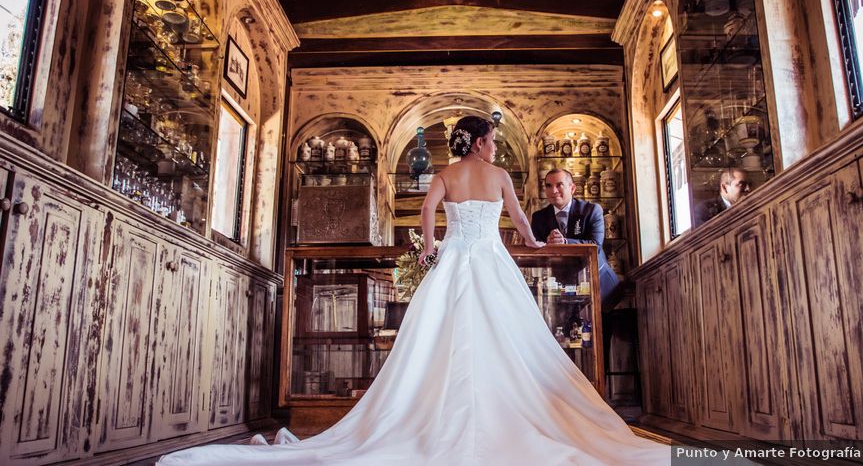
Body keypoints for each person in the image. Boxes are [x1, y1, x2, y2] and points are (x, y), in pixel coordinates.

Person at [158, 115, 669, 465]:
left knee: (434, 344)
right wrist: (538, 242)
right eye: (490, 138)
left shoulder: (445, 174)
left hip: (455, 261)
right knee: (508, 340)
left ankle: (430, 416)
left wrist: (429, 247)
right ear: (479, 143)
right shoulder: (499, 176)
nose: (493, 145)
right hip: (490, 262)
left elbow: (427, 214)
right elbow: (521, 225)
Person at [531, 168, 619, 306]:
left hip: (599, 286)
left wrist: (565, 242)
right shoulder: (539, 218)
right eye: (548, 186)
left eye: (559, 185)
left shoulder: (591, 210)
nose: (553, 190)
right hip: (561, 289)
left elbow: (595, 245)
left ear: (572, 188)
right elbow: (536, 252)